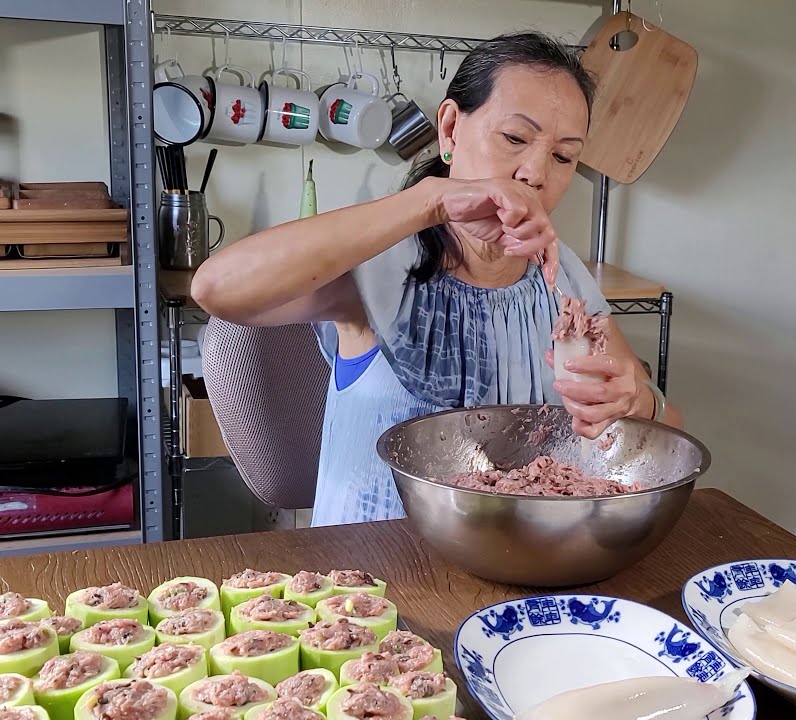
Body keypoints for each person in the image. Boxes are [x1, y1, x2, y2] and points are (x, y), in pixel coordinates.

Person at [191, 32, 683, 527]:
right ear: (450, 129)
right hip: (371, 572)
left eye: (563, 156)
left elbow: (667, 427)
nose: (535, 173)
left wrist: (637, 402)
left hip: (520, 562)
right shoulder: (384, 265)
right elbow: (217, 289)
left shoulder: (564, 281)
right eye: (514, 139)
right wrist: (431, 202)